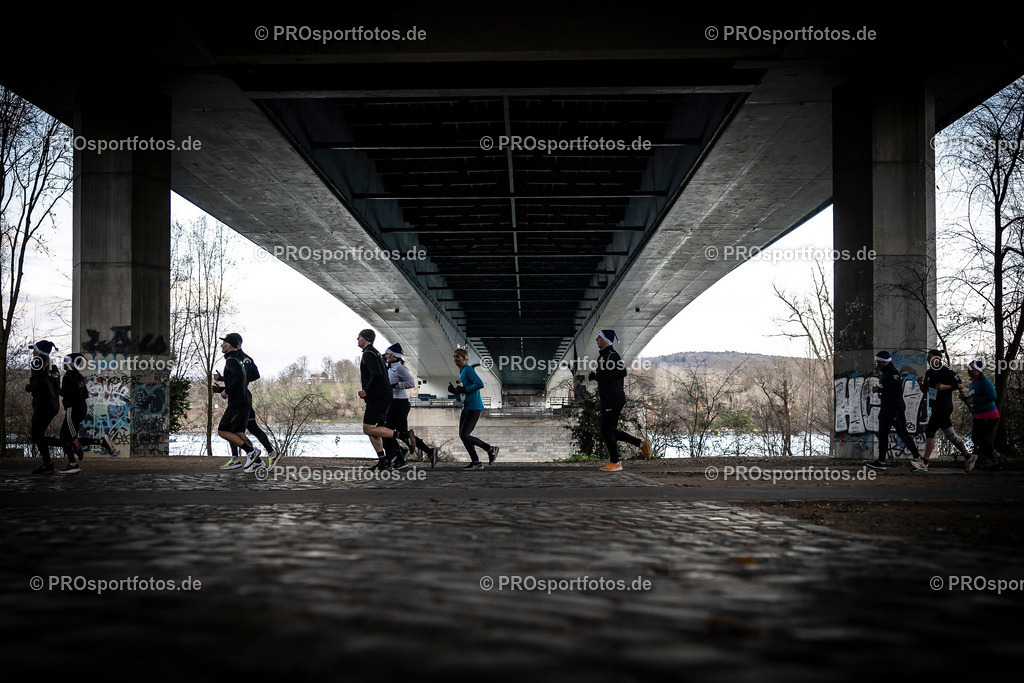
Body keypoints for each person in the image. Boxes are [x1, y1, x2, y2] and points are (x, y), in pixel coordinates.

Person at [589, 329, 650, 472]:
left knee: (606, 430)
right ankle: (641, 445)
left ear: (606, 340)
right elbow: (606, 375)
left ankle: (615, 462)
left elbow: (622, 372)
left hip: (614, 398)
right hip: (607, 398)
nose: (596, 340)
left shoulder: (613, 355)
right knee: (609, 430)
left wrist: (598, 377)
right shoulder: (602, 357)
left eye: (599, 337)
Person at [911, 350, 972, 472]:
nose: (928, 360)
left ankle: (925, 462)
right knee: (951, 435)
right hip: (935, 407)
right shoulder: (929, 373)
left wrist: (945, 387)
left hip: (944, 407)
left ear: (938, 359)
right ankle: (969, 456)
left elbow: (960, 385)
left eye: (931, 358)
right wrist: (920, 384)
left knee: (930, 431)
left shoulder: (946, 372)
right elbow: (926, 391)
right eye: (928, 358)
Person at [357, 330, 409, 471]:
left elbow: (377, 374)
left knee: (368, 428)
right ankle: (384, 462)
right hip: (382, 396)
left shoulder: (369, 354)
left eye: (359, 337)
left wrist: (366, 390)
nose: (357, 339)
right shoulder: (375, 353)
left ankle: (403, 436)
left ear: (366, 338)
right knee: (374, 430)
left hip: (377, 397)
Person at [382, 343, 437, 469]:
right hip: (395, 402)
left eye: (388, 353)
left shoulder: (400, 368)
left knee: (386, 432)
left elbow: (411, 383)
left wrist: (396, 386)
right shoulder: (389, 367)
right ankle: (429, 452)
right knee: (403, 434)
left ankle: (398, 458)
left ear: (395, 355)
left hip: (399, 403)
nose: (386, 355)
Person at [214, 333, 262, 472]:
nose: (222, 345)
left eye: (224, 343)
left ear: (229, 345)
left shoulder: (232, 360)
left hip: (238, 401)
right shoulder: (235, 359)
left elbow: (240, 378)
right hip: (243, 399)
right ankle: (256, 462)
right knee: (238, 432)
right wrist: (222, 382)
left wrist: (226, 391)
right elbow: (240, 378)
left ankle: (251, 452)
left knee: (223, 431)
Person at [867, 351, 922, 470]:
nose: (878, 364)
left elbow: (896, 389)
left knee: (902, 433)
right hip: (886, 408)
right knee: (882, 434)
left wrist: (879, 390)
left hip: (895, 408)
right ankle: (881, 461)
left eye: (879, 362)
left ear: (885, 362)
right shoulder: (885, 372)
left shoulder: (893, 372)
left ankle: (918, 459)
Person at [450, 346, 498, 469]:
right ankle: (476, 462)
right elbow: (463, 390)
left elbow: (479, 384)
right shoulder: (461, 372)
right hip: (467, 407)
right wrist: (455, 391)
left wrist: (464, 389)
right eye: (454, 356)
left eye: (458, 356)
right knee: (462, 435)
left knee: (465, 435)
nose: (455, 359)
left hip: (474, 407)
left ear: (464, 358)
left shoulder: (468, 370)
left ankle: (490, 449)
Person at [26, 340, 61, 475]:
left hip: (42, 405)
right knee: (39, 435)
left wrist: (28, 387)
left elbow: (37, 384)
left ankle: (66, 445)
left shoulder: (37, 364)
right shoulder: (54, 367)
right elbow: (56, 387)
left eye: (34, 350)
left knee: (36, 436)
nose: (33, 352)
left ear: (39, 352)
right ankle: (49, 463)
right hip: (53, 405)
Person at [960, 360, 1001, 471]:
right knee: (978, 439)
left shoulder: (984, 381)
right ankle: (992, 459)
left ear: (978, 371)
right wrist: (965, 399)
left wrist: (975, 400)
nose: (969, 371)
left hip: (989, 414)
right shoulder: (973, 383)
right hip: (979, 415)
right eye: (968, 369)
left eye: (971, 369)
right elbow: (972, 400)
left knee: (978, 439)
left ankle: (995, 457)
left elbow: (993, 396)